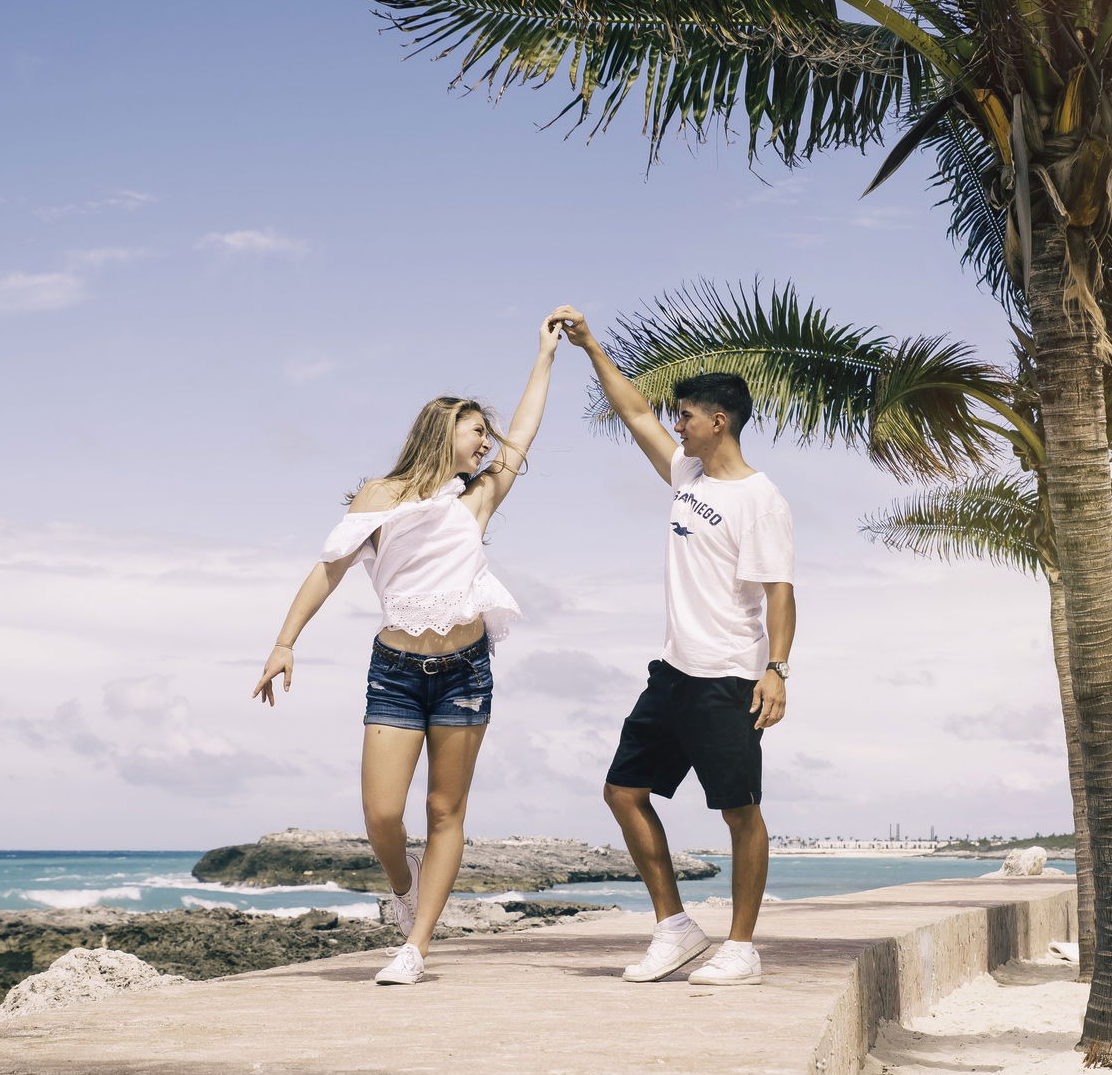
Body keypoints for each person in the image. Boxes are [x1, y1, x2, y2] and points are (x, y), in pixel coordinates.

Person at [250, 315, 559, 986]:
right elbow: (327, 569)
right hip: (394, 671)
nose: (489, 441)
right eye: (478, 430)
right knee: (383, 813)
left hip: (464, 671)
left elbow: (527, 429)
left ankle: (415, 947)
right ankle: (404, 887)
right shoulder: (380, 498)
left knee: (445, 811)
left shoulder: (477, 499)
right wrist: (284, 642)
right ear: (443, 430)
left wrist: (545, 356)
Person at [552, 305, 796, 987]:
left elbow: (781, 593)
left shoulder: (760, 500)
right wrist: (591, 346)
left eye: (685, 415)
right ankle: (676, 928)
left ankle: (742, 947)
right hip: (672, 675)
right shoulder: (687, 477)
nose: (675, 425)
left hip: (728, 679)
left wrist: (775, 671)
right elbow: (634, 415)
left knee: (738, 811)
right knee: (624, 792)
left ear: (718, 421)